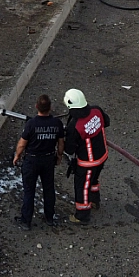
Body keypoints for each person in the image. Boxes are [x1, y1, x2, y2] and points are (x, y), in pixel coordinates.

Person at [13, 94, 65, 230]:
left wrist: (17, 156)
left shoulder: (31, 124)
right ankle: (49, 217)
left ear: (37, 107)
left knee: (29, 191)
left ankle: (26, 221)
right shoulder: (57, 123)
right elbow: (60, 143)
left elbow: (22, 144)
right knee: (48, 189)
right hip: (48, 160)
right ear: (50, 108)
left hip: (31, 160)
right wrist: (59, 156)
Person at [63, 89, 110, 224]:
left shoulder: (75, 125)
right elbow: (106, 122)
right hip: (102, 155)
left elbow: (69, 149)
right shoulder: (96, 110)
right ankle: (95, 201)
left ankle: (82, 215)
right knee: (94, 180)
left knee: (82, 186)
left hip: (87, 163)